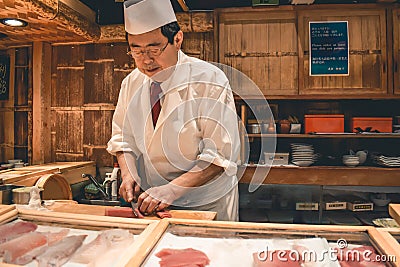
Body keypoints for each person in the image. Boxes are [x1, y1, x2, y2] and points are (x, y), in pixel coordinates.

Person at [107, 0, 240, 221]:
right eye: (137, 51)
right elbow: (122, 138)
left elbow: (218, 156)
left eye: (154, 49)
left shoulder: (210, 79)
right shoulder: (131, 83)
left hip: (206, 202)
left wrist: (173, 189)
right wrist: (129, 173)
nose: (146, 60)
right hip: (156, 203)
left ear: (177, 39)